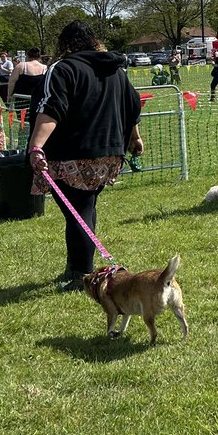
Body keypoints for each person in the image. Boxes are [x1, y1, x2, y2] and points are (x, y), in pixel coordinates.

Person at [28, 21, 142, 292]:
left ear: (64, 44)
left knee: (78, 211)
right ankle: (76, 267)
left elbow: (51, 108)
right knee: (83, 208)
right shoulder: (116, 69)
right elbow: (133, 105)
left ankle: (83, 273)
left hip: (72, 154)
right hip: (109, 154)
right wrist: (135, 138)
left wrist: (36, 147)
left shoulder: (63, 68)